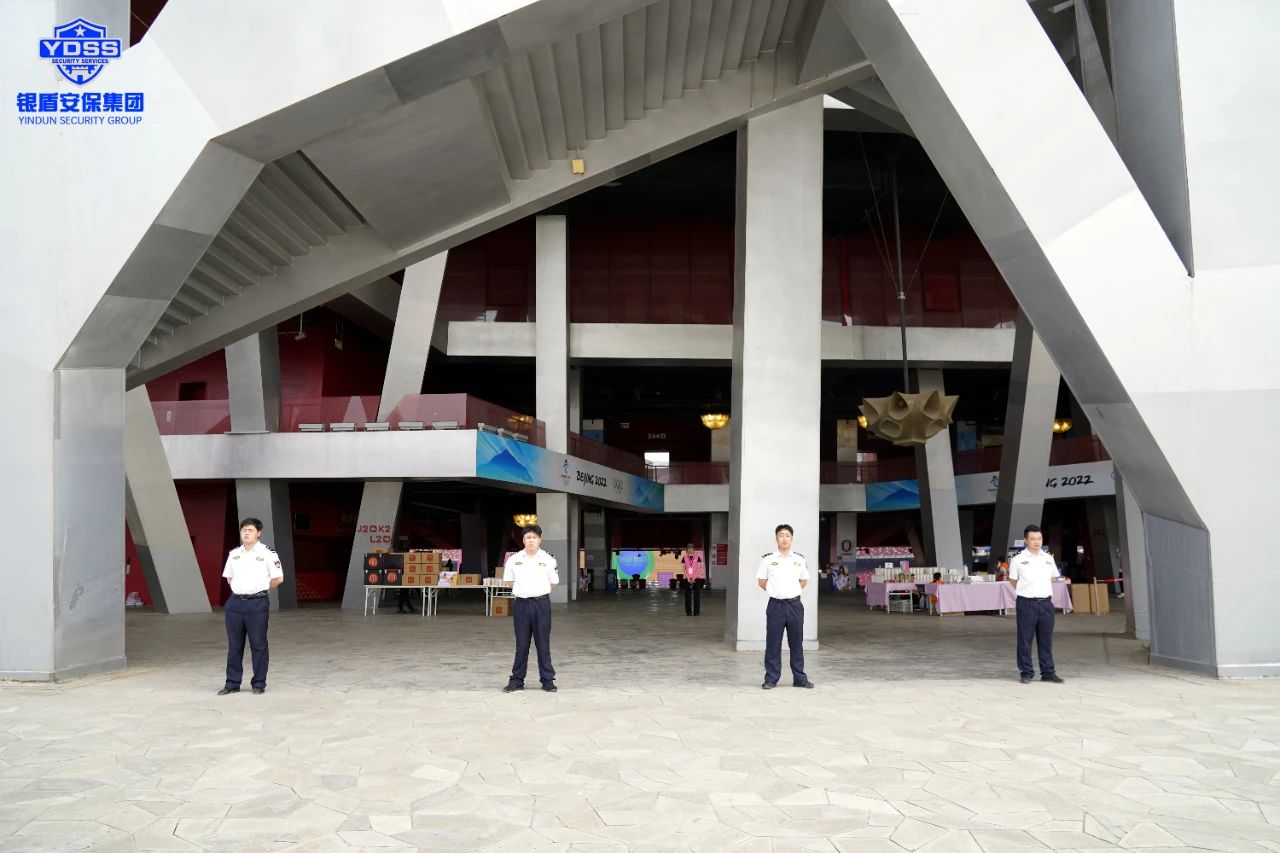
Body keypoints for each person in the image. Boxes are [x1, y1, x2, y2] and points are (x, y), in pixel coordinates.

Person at [218, 518, 284, 695]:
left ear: (258, 533)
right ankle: (232, 683)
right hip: (235, 603)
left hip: (257, 603)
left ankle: (259, 683)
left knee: (258, 643)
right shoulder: (234, 554)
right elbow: (229, 578)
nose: (246, 533)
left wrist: (262, 589)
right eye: (244, 530)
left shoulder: (268, 553)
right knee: (234, 645)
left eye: (250, 530)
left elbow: (278, 578)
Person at [756, 524, 815, 690]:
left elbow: (804, 580)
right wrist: (776, 592)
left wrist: (791, 592)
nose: (784, 538)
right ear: (776, 538)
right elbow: (761, 581)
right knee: (773, 643)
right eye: (781, 535)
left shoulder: (799, 560)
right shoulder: (767, 560)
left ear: (792, 539)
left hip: (795, 605)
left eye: (787, 535)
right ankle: (771, 678)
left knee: (796, 643)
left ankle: (799, 678)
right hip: (775, 606)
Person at [502, 525, 559, 693]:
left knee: (543, 643)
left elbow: (553, 582)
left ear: (539, 540)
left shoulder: (548, 559)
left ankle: (547, 680)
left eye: (534, 537)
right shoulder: (514, 559)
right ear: (523, 540)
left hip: (541, 605)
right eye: (528, 537)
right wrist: (524, 592)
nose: (531, 540)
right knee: (522, 643)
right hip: (521, 605)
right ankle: (517, 680)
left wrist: (538, 592)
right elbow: (510, 581)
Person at [1009, 524, 1065, 684]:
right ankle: (1026, 672)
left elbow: (1053, 577)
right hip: (1026, 603)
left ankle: (1048, 672)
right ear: (1026, 540)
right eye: (1033, 539)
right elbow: (1012, 580)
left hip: (1046, 604)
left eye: (1039, 538)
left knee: (1046, 640)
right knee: (1025, 639)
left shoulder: (1048, 558)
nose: (1037, 542)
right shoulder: (1018, 559)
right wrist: (1026, 590)